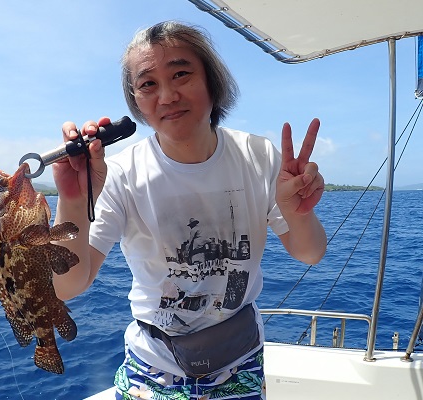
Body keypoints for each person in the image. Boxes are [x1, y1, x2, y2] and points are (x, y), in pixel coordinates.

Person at [52, 20, 327, 400]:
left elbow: (310, 253)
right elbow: (67, 286)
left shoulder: (258, 156)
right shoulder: (120, 174)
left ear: (212, 82)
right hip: (154, 366)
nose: (167, 96)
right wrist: (73, 199)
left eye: (181, 74)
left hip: (240, 360)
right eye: (148, 84)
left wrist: (298, 212)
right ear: (136, 102)